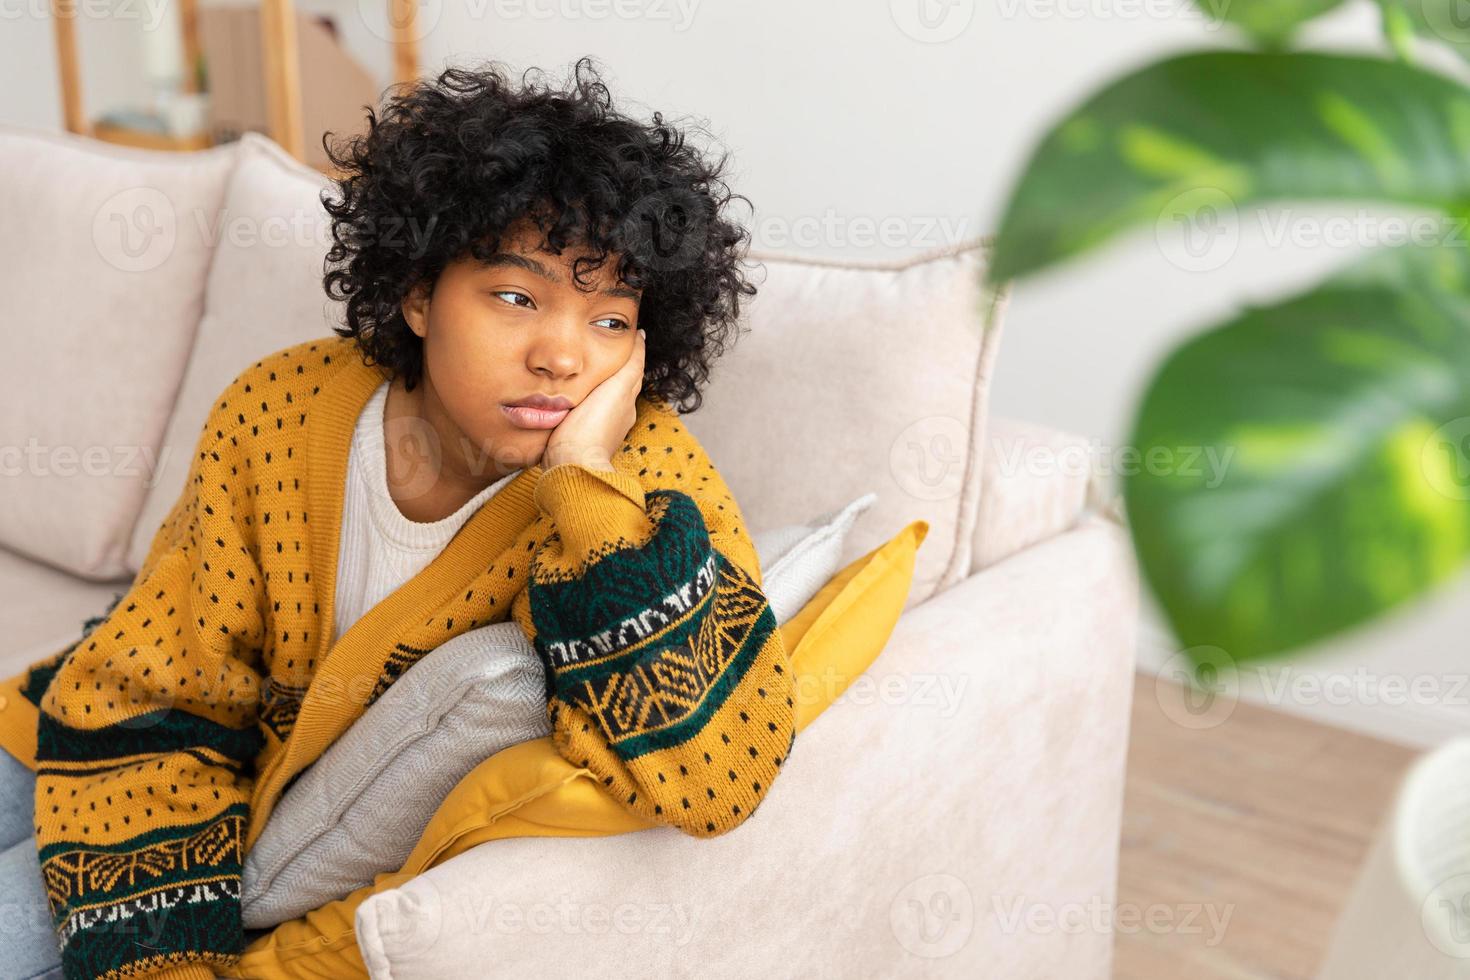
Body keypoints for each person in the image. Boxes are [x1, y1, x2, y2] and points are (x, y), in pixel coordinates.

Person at [0, 56, 795, 979]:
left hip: (252, 827)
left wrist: (581, 482)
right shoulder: (278, 410)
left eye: (610, 319)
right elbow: (159, 693)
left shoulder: (645, 485)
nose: (561, 356)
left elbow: (719, 780)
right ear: (418, 294)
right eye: (515, 297)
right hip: (111, 740)